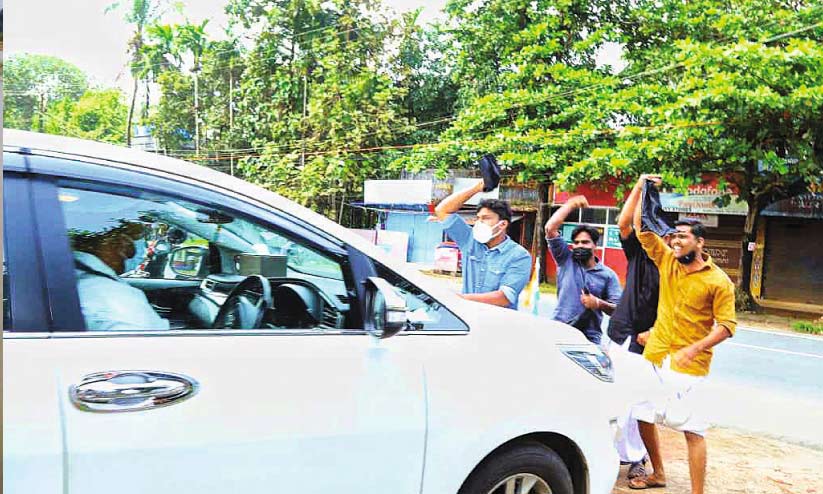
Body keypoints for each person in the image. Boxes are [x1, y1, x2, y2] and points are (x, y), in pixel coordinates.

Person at [628, 176, 736, 493]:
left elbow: (727, 326)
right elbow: (641, 229)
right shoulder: (667, 262)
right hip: (656, 356)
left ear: (699, 243)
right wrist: (640, 186)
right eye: (674, 236)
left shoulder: (718, 281)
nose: (676, 241)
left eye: (683, 237)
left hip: (690, 366)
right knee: (642, 414)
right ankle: (658, 473)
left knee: (693, 431)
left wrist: (694, 348)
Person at [606, 176, 675, 481]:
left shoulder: (676, 269)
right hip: (620, 333)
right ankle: (611, 454)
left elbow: (678, 310)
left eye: (668, 235)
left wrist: (657, 333)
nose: (665, 239)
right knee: (615, 398)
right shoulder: (639, 253)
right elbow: (624, 223)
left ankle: (637, 458)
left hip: (649, 342)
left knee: (640, 405)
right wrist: (638, 186)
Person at [431, 180, 532, 309]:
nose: (479, 223)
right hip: (467, 315)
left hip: (498, 319)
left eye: (485, 218)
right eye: (478, 218)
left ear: (503, 224)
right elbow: (442, 210)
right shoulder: (469, 240)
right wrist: (476, 188)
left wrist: (459, 299)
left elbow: (504, 298)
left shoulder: (519, 255)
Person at [543, 195, 622, 344]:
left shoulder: (608, 275)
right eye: (576, 242)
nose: (579, 245)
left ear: (595, 245)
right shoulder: (565, 259)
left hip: (590, 337)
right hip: (559, 329)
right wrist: (571, 204)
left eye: (585, 242)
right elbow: (550, 228)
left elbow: (618, 310)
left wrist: (598, 303)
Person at [71, 222, 170, 331]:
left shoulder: (74, 275)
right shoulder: (115, 298)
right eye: (131, 245)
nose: (131, 254)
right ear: (120, 243)